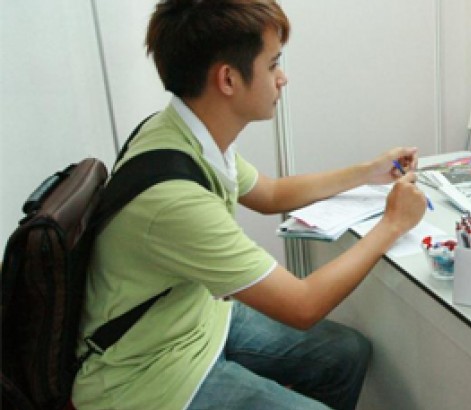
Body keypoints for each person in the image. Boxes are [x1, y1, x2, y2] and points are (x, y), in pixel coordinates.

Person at [71, 1, 427, 409]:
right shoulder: (173, 199)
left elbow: (271, 194)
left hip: (193, 320)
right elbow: (303, 305)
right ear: (227, 79)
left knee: (345, 353)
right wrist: (393, 224)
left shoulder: (187, 135)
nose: (283, 78)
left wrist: (369, 171)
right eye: (273, 64)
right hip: (147, 377)